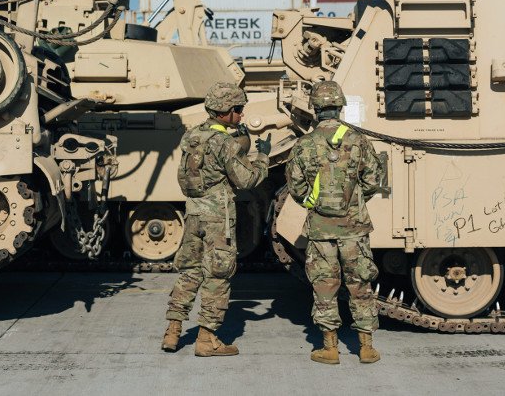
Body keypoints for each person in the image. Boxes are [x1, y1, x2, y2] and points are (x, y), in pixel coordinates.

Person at [161, 82, 271, 356]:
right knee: (218, 276)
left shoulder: (193, 135)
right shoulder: (224, 142)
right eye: (238, 109)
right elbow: (247, 179)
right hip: (217, 218)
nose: (242, 114)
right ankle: (206, 340)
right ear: (226, 111)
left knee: (190, 272)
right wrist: (263, 157)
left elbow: (207, 164)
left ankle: (172, 333)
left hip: (194, 211)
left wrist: (239, 144)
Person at [285, 80, 383, 364]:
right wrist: (353, 203)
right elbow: (373, 180)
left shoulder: (303, 144)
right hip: (354, 228)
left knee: (325, 287)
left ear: (315, 109)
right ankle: (366, 348)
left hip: (320, 230)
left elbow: (296, 187)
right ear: (340, 106)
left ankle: (329, 348)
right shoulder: (358, 141)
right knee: (360, 285)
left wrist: (314, 206)